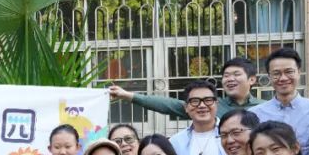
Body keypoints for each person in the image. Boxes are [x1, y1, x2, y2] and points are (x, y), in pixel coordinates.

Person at [108, 56, 262, 119]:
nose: (230, 79)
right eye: (226, 76)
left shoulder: (265, 108)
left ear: (252, 79)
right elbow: (169, 105)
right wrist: (128, 96)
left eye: (236, 74)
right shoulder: (211, 106)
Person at [250, 47, 309, 155]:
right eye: (276, 73)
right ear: (269, 76)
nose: (283, 78)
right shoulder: (254, 114)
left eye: (289, 72)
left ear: (299, 72)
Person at [168, 80, 236, 155]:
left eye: (208, 100)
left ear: (216, 104)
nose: (202, 106)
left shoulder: (233, 135)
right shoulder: (176, 142)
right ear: (186, 107)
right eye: (195, 101)